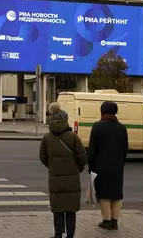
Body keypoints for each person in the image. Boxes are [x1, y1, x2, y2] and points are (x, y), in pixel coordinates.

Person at [39, 102, 86, 238]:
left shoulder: (47, 138)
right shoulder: (73, 137)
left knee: (57, 207)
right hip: (72, 177)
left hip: (55, 177)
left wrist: (53, 166)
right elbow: (82, 156)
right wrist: (78, 167)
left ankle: (58, 233)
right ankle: (70, 234)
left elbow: (42, 157)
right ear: (65, 120)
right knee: (71, 208)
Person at [87, 101, 128, 230]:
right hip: (117, 166)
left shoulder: (98, 126)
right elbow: (125, 149)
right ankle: (115, 221)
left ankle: (107, 220)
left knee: (104, 193)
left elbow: (92, 149)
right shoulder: (122, 128)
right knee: (116, 193)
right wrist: (121, 163)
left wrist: (90, 166)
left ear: (102, 111)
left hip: (101, 166)